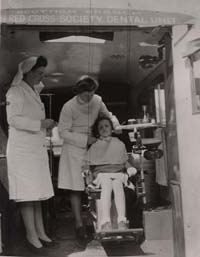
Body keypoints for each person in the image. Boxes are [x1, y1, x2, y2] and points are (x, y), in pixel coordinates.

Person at [57, 75, 120, 245]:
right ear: (78, 91)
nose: (89, 98)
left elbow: (108, 115)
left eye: (92, 94)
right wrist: (85, 140)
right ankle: (79, 226)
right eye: (86, 95)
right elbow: (63, 132)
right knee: (76, 188)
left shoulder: (97, 100)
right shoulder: (68, 107)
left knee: (97, 185)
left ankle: (100, 221)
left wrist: (116, 124)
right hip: (73, 150)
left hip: (93, 148)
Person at [6, 56, 57, 253]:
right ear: (26, 72)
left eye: (42, 73)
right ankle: (31, 235)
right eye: (38, 73)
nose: (40, 77)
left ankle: (40, 232)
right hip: (22, 152)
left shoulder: (33, 90)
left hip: (34, 150)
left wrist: (45, 126)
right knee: (28, 195)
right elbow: (13, 120)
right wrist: (41, 124)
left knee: (37, 194)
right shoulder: (15, 91)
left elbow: (37, 89)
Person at [83, 116, 137, 231]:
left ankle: (122, 220)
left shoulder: (119, 143)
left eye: (106, 126)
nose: (104, 128)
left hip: (118, 173)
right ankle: (105, 221)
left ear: (112, 128)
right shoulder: (95, 145)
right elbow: (87, 162)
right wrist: (85, 170)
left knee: (117, 184)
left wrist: (130, 168)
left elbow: (124, 161)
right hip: (102, 174)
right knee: (107, 184)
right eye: (100, 127)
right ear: (97, 131)